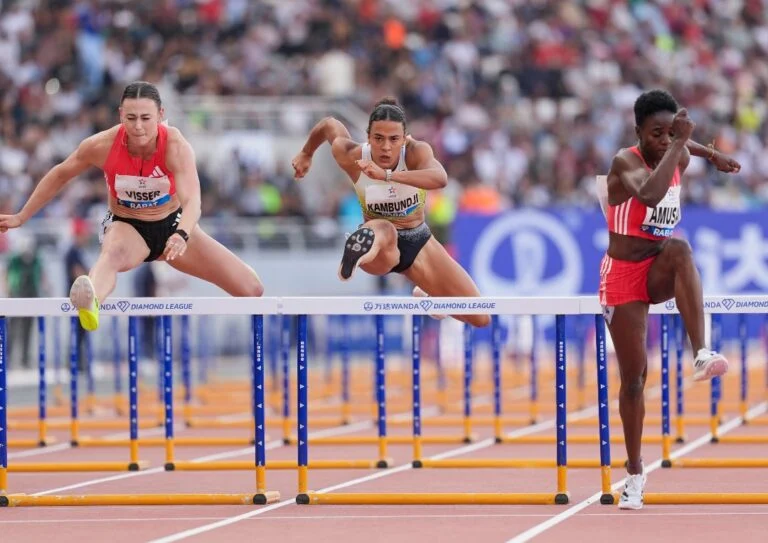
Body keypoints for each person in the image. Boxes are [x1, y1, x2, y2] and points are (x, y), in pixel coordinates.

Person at [0, 81, 264, 331]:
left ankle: (94, 290)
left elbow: (193, 200)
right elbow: (60, 174)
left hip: (174, 225)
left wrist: (182, 234)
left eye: (146, 118)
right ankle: (91, 299)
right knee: (112, 254)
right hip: (128, 226)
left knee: (252, 289)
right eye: (131, 118)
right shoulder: (101, 145)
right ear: (120, 115)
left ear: (161, 114)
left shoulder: (175, 146)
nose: (138, 127)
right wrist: (22, 216)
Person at [597, 89, 741, 510]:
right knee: (635, 380)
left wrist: (710, 153)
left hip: (657, 265)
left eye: (668, 133)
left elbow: (683, 145)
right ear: (637, 131)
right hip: (622, 276)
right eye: (655, 133)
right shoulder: (625, 163)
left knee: (679, 248)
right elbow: (649, 196)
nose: (663, 140)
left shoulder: (678, 150)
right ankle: (635, 473)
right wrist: (682, 143)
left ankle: (700, 352)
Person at [291, 97, 489, 328]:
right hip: (380, 247)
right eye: (379, 139)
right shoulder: (353, 155)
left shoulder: (416, 152)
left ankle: (429, 297)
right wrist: (306, 153)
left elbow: (440, 178)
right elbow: (329, 124)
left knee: (480, 316)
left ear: (404, 139)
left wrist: (386, 176)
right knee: (384, 228)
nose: (386, 147)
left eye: (394, 139)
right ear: (368, 138)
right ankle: (357, 252)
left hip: (419, 240)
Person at [64, 218, 90, 370]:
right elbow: (77, 274)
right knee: (77, 331)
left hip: (79, 296)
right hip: (76, 297)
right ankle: (74, 362)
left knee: (81, 332)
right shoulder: (72, 252)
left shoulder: (77, 252)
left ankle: (78, 361)